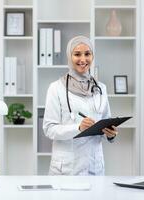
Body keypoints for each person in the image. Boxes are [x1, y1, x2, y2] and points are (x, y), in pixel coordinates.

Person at [43, 36, 118, 176]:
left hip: (94, 166)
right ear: (69, 56)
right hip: (66, 168)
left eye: (87, 54)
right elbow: (49, 129)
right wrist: (78, 127)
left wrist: (110, 135)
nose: (83, 59)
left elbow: (105, 122)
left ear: (92, 56)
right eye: (77, 54)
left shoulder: (101, 88)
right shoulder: (56, 88)